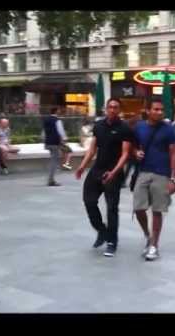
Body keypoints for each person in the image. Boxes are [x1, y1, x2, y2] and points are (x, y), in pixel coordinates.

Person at [75, 98, 133, 257]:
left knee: (112, 208)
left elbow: (126, 154)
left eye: (116, 107)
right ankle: (102, 230)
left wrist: (114, 172)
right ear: (106, 109)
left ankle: (112, 242)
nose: (113, 110)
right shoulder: (99, 126)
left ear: (119, 110)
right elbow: (92, 149)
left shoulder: (124, 128)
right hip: (97, 170)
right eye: (110, 107)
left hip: (114, 172)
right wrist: (82, 166)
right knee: (89, 202)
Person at [132, 98, 175, 261]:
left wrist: (173, 179)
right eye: (156, 109)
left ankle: (154, 245)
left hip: (162, 173)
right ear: (148, 111)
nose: (159, 112)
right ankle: (147, 235)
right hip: (143, 171)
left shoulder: (169, 130)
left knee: (157, 210)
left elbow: (174, 154)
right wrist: (135, 152)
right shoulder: (140, 127)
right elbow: (133, 146)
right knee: (138, 208)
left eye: (161, 110)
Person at [43, 107, 68, 186]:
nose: (60, 112)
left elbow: (43, 132)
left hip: (48, 142)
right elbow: (60, 131)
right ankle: (51, 180)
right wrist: (65, 139)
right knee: (54, 161)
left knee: (53, 159)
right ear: (56, 111)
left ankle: (51, 177)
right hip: (55, 143)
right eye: (59, 110)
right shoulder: (57, 120)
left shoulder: (46, 120)